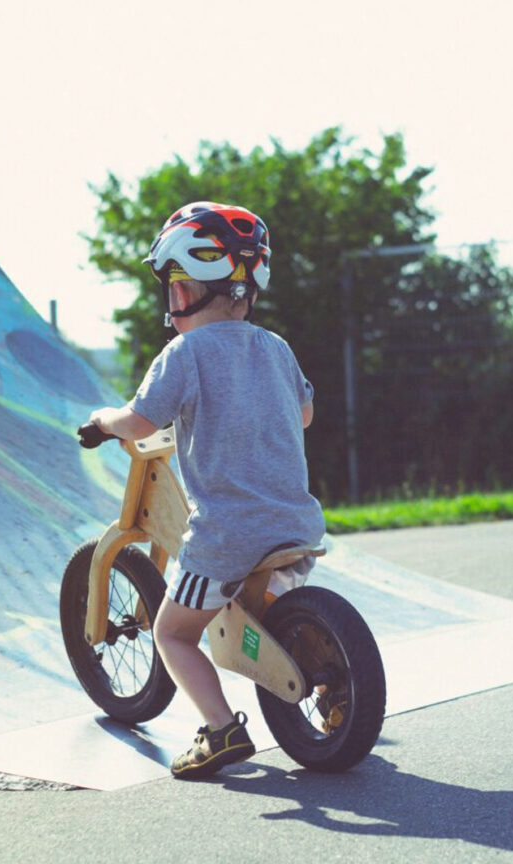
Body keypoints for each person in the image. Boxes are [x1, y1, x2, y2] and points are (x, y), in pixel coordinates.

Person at [86, 201, 325, 780]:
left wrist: (104, 420)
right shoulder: (275, 348)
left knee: (172, 632)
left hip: (226, 536)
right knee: (266, 613)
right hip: (297, 526)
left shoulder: (184, 354)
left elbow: (141, 424)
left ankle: (220, 729)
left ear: (191, 289)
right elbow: (306, 415)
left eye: (174, 288)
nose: (171, 304)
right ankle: (333, 681)